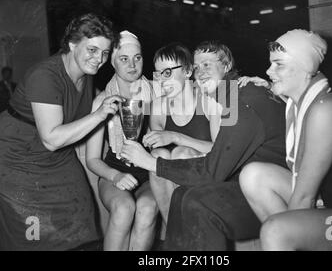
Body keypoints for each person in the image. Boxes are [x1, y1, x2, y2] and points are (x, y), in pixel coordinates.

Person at [119, 40, 287, 250]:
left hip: (263, 185)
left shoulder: (236, 99)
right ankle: (177, 240)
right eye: (198, 66)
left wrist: (168, 146)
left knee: (186, 175)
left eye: (208, 64)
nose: (201, 71)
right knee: (175, 184)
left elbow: (215, 164)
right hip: (236, 177)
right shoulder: (228, 94)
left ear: (226, 66)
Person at [239, 29, 332, 251]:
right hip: (331, 209)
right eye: (271, 63)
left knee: (276, 230)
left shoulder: (327, 109)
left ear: (306, 68)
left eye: (279, 64)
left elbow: (305, 196)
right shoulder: (303, 103)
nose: (269, 70)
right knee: (254, 175)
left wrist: (290, 230)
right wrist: (265, 86)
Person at [0, 13, 120, 250]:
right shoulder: (45, 76)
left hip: (57, 157)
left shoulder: (85, 77)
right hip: (17, 157)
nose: (100, 59)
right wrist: (98, 115)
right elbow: (53, 139)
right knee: (33, 233)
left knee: (81, 212)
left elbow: (87, 110)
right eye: (93, 50)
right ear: (73, 44)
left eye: (105, 53)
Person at [86, 31, 158, 251]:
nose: (133, 65)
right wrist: (115, 176)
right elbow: (92, 159)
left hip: (148, 173)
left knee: (147, 208)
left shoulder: (157, 92)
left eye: (137, 57)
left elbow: (199, 93)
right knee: (124, 208)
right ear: (113, 63)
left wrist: (237, 83)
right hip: (114, 171)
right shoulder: (102, 101)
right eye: (124, 59)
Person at [145, 43, 220, 229]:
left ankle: (189, 229)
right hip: (173, 183)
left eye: (168, 72)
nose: (162, 79)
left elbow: (220, 150)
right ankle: (173, 228)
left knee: (181, 153)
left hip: (210, 176)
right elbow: (156, 152)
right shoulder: (158, 107)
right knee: (158, 156)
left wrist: (176, 137)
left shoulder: (209, 100)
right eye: (158, 73)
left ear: (187, 71)